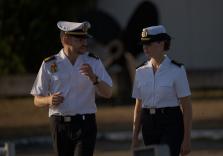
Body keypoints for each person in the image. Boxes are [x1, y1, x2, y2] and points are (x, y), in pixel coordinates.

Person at [30, 21, 113, 156]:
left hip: (86, 124)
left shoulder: (93, 62)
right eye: (80, 39)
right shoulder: (49, 64)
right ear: (65, 39)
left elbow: (108, 93)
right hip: (59, 125)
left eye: (85, 39)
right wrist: (49, 100)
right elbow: (36, 100)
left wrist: (94, 78)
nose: (85, 43)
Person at [131, 25, 192, 156]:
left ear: (161, 43)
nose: (145, 47)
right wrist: (135, 136)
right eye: (143, 44)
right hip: (148, 124)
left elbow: (186, 107)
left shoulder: (177, 70)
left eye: (149, 43)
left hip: (171, 123)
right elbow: (138, 107)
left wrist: (187, 139)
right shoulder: (140, 72)